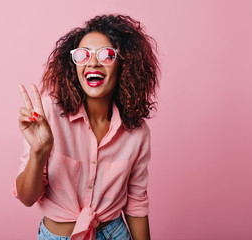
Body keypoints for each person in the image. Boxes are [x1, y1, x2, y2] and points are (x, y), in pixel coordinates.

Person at [13, 14, 160, 240]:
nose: (93, 62)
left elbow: (136, 202)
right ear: (74, 65)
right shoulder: (47, 114)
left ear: (124, 64)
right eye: (83, 55)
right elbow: (27, 197)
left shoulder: (137, 132)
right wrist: (39, 152)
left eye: (106, 55)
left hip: (115, 234)